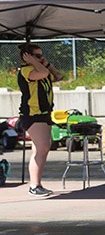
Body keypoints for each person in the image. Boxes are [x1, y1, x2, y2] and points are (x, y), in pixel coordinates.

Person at [17, 43, 64, 197]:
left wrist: (46, 63)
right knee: (43, 147)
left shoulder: (41, 68)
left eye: (41, 55)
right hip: (32, 114)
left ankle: (37, 183)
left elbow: (58, 76)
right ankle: (34, 185)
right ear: (28, 57)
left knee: (40, 149)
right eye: (37, 55)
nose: (41, 58)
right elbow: (43, 74)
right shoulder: (27, 70)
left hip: (43, 113)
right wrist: (35, 63)